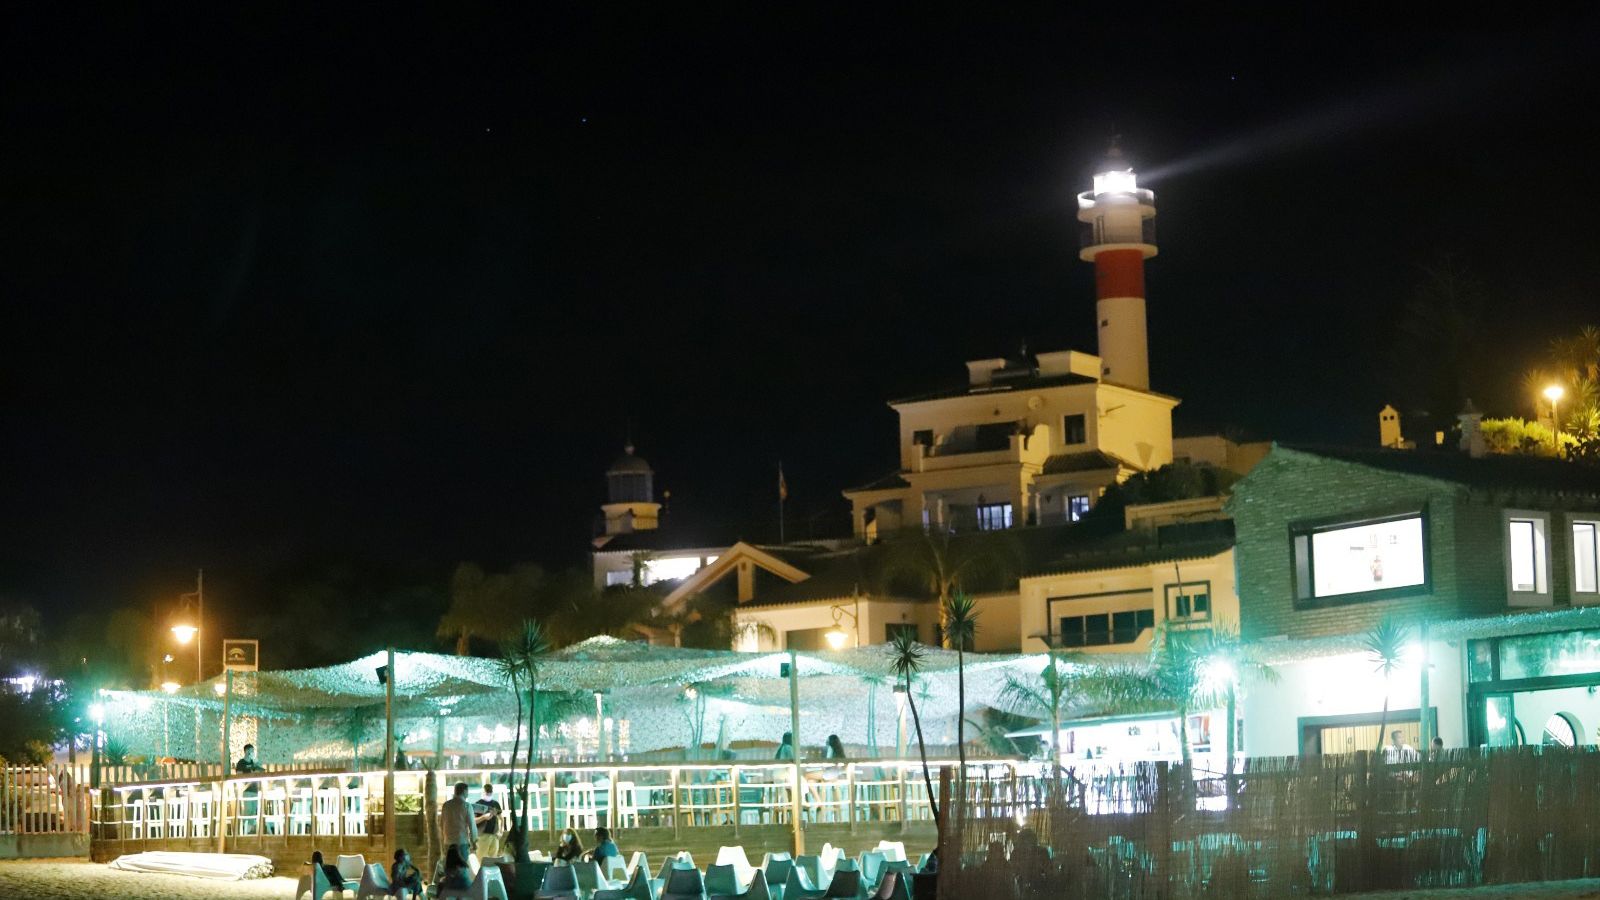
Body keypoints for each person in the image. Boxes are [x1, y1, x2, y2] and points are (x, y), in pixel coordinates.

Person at [440, 782, 476, 863]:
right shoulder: (467, 806)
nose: (468, 793)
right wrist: (474, 842)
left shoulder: (446, 805)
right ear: (464, 791)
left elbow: (441, 824)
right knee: (462, 867)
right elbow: (472, 826)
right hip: (462, 842)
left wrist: (443, 841)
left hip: (448, 842)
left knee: (450, 868)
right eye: (467, 791)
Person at [474, 783, 503, 860]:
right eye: (487, 793)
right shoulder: (478, 804)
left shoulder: (495, 804)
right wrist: (483, 817)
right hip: (482, 835)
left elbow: (501, 818)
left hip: (494, 835)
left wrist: (501, 831)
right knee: (481, 858)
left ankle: (492, 872)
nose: (488, 794)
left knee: (493, 859)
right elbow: (473, 821)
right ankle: (480, 872)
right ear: (483, 792)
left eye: (490, 793)